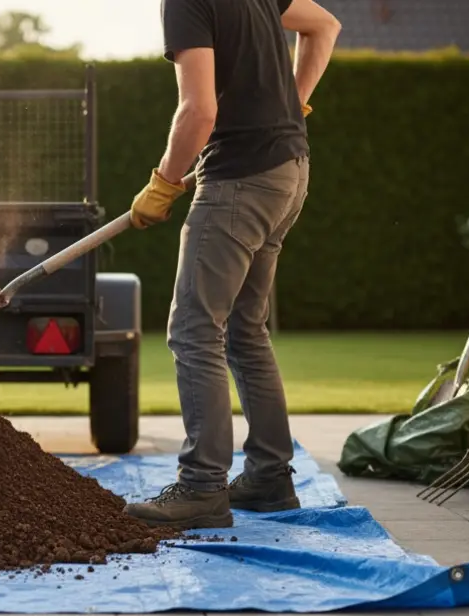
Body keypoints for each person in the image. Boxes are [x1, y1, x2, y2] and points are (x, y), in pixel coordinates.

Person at [123, 0, 341, 530]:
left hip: (239, 180)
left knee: (195, 329)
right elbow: (324, 25)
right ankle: (269, 476)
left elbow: (199, 111)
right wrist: (293, 102)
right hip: (289, 168)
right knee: (246, 329)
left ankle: (202, 487)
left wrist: (165, 182)